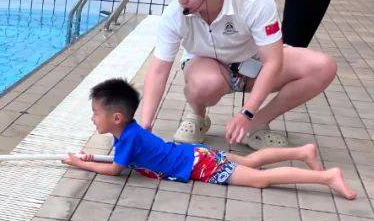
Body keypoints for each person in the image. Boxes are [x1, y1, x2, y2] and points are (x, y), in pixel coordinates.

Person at [139, 0, 336, 150]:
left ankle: (257, 123)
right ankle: (198, 117)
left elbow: (273, 61)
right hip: (207, 65)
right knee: (204, 84)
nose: (181, 0)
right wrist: (145, 124)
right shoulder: (174, 14)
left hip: (254, 62)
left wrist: (248, 112)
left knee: (323, 67)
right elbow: (159, 70)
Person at [64, 78, 356, 199]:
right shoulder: (129, 132)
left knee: (260, 179)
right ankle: (303, 152)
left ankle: (327, 177)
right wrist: (92, 157)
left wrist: (80, 163)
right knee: (251, 160)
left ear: (116, 117)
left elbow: (116, 170)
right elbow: (120, 161)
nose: (92, 118)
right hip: (194, 154)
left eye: (95, 113)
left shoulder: (126, 139)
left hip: (199, 167)